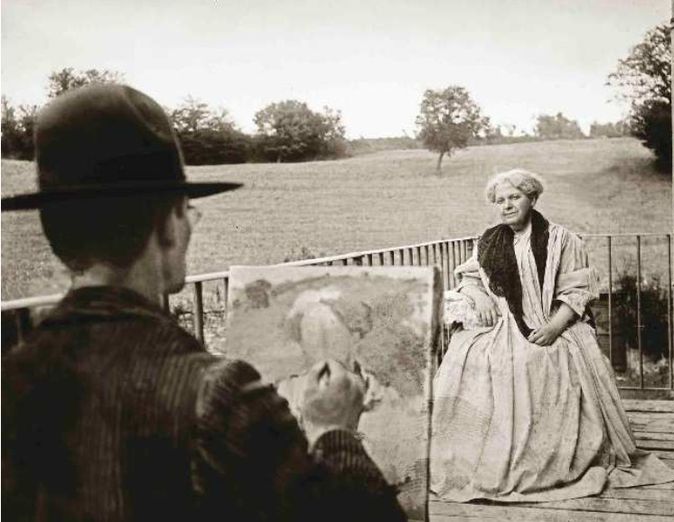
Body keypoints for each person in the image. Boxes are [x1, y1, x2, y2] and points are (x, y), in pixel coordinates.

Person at [1, 84, 406, 521]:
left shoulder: (12, 376)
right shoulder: (219, 396)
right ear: (169, 225)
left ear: (56, 234)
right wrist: (333, 432)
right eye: (187, 212)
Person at [431, 168, 674, 503]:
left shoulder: (562, 240)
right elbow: (471, 277)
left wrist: (552, 327)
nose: (506, 206)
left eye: (514, 198)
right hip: (503, 326)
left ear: (532, 199)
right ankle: (483, 456)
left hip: (552, 324)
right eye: (500, 200)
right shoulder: (488, 242)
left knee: (534, 360)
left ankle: (542, 458)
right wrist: (476, 295)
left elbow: (576, 293)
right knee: (469, 354)